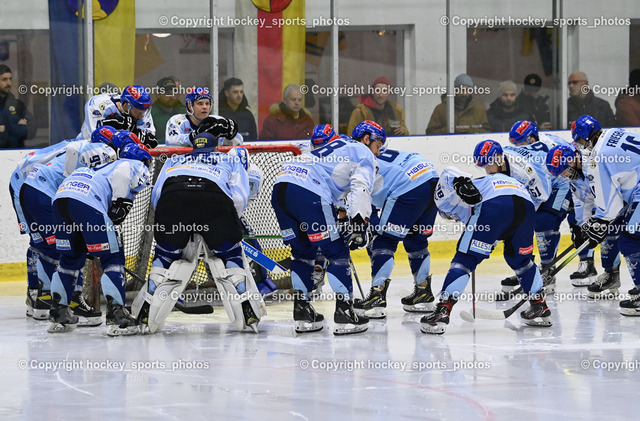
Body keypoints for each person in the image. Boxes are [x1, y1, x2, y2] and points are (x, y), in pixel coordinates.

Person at [132, 127, 264, 334]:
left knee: (165, 257)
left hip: (173, 200)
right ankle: (247, 310)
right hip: (213, 200)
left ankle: (145, 312)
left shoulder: (174, 159)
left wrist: (180, 225)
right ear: (215, 147)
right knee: (230, 255)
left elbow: (157, 196)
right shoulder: (228, 160)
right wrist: (222, 225)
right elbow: (239, 198)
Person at [270, 120, 383, 335]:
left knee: (302, 252)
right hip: (309, 192)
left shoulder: (336, 146)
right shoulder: (363, 152)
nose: (378, 153)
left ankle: (302, 312)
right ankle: (344, 313)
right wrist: (360, 224)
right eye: (378, 146)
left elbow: (335, 185)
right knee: (337, 252)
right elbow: (360, 186)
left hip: (280, 189)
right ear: (367, 139)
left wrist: (342, 213)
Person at [421, 166, 549, 334]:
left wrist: (460, 182)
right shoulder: (484, 185)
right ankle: (539, 306)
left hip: (495, 205)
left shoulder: (444, 200)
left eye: (450, 216)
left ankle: (443, 310)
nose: (454, 219)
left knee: (464, 260)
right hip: (526, 207)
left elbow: (449, 172)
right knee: (521, 261)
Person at [49, 142, 152, 336]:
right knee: (112, 258)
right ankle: (118, 316)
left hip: (60, 200)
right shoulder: (133, 164)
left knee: (70, 259)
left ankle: (59, 313)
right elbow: (118, 208)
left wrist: (89, 238)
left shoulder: (100, 167)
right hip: (86, 202)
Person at [19, 127, 119, 325]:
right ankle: (71, 301)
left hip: (27, 188)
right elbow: (75, 186)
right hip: (43, 192)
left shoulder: (80, 146)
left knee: (44, 246)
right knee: (70, 249)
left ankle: (42, 300)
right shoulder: (94, 151)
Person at [472, 138, 570, 295]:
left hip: (556, 185)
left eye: (489, 165)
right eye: (484, 167)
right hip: (535, 186)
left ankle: (547, 270)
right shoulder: (500, 160)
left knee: (544, 222)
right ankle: (526, 269)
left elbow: (540, 197)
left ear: (498, 159)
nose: (488, 171)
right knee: (518, 224)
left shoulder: (524, 171)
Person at [353, 146, 439, 318]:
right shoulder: (377, 154)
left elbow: (362, 202)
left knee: (383, 242)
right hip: (431, 181)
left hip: (409, 188)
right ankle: (424, 292)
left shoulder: (357, 164)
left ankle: (377, 295)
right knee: (416, 241)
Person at [569, 115, 640, 314]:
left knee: (630, 240)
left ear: (585, 138)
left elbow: (609, 208)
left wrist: (599, 222)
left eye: (580, 142)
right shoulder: (614, 133)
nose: (581, 146)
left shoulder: (597, 157)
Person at [545, 144, 622, 295]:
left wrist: (601, 220)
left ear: (571, 161)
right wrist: (584, 227)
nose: (565, 176)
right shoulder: (576, 175)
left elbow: (610, 194)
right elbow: (582, 201)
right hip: (615, 201)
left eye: (564, 171)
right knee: (609, 235)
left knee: (625, 239)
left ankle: (614, 276)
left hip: (627, 196)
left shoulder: (594, 164)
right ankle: (612, 275)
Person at [77, 84, 158, 148]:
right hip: (85, 149)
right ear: (126, 106)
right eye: (138, 112)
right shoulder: (98, 105)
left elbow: (149, 141)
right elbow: (95, 139)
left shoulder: (142, 109)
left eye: (143, 113)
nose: (140, 117)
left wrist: (129, 131)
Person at [165, 86, 242, 147]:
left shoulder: (218, 120)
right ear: (189, 106)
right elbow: (171, 142)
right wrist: (195, 136)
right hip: (184, 164)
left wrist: (231, 135)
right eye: (200, 103)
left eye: (207, 103)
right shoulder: (177, 121)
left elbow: (239, 142)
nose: (205, 107)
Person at [426, 74, 490, 134]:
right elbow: (430, 133)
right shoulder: (440, 109)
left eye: (467, 90)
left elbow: (487, 131)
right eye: (461, 90)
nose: (464, 93)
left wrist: (470, 130)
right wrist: (450, 130)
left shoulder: (479, 109)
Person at [0, 64, 36, 148]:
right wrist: (17, 125)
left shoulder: (18, 105)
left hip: (16, 153)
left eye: (10, 79)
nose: (9, 83)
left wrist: (4, 129)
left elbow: (32, 130)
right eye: (4, 79)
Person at [151, 76, 186, 144]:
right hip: (158, 152)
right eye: (167, 92)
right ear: (157, 95)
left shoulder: (184, 111)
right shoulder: (150, 113)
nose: (171, 95)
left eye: (174, 91)